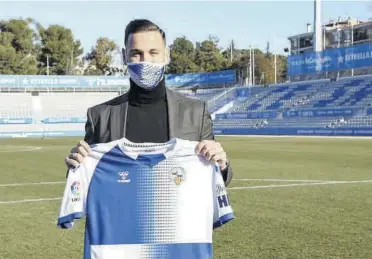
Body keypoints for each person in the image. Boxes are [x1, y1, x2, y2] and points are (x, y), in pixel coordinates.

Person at [64, 19, 233, 185]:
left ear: (166, 55)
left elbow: (214, 175)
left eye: (153, 52)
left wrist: (222, 166)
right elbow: (85, 181)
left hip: (177, 211)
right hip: (122, 211)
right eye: (136, 53)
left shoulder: (196, 112)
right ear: (125, 56)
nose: (145, 61)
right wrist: (75, 167)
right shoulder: (100, 116)